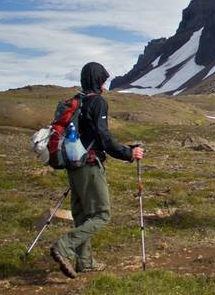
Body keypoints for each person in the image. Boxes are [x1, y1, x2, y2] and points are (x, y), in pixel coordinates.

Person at [50, 62, 145, 279]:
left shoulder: (77, 101)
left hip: (73, 165)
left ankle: (85, 262)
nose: (105, 83)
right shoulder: (97, 103)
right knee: (102, 214)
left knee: (83, 215)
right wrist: (129, 154)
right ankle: (64, 246)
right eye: (103, 79)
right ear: (98, 80)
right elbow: (104, 138)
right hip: (90, 166)